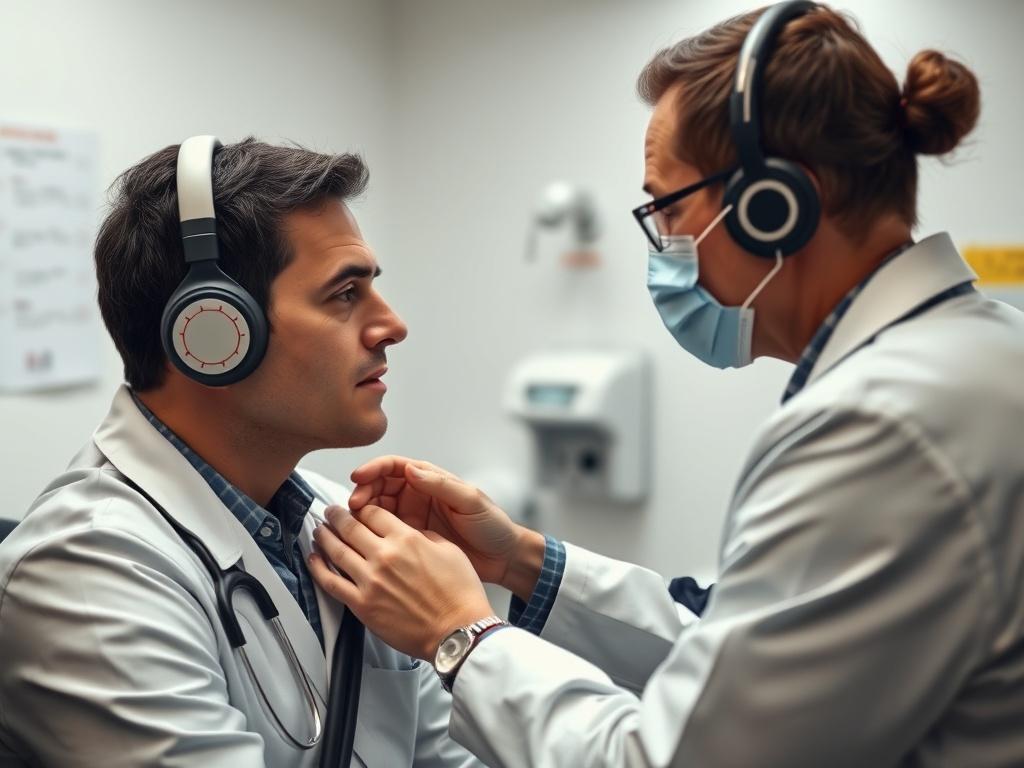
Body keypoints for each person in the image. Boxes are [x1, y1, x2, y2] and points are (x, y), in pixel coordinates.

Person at [308, 3, 1024, 766]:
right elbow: (747, 668)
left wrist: (461, 635)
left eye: (670, 208)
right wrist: (520, 559)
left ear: (774, 206)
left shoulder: (882, 428)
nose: (667, 249)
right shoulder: (979, 352)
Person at [0, 138, 485, 767]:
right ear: (213, 331)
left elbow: (448, 756)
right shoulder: (90, 571)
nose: (392, 325)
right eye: (345, 294)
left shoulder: (344, 527)